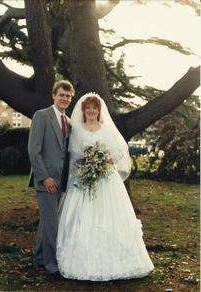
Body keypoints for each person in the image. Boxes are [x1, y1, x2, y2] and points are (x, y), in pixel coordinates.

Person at [57, 93, 154, 281]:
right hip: (83, 180)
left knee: (111, 218)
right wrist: (87, 164)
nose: (91, 111)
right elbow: (74, 154)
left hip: (106, 180)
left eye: (94, 108)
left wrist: (104, 161)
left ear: (98, 111)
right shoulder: (76, 129)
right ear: (83, 110)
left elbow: (118, 151)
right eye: (88, 108)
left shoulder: (106, 128)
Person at [28, 80, 74, 276]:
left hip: (61, 180)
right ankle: (51, 265)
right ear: (53, 95)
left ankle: (39, 257)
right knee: (52, 223)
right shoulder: (42, 116)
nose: (65, 99)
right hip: (46, 180)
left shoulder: (69, 121)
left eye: (68, 96)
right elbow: (33, 150)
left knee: (46, 221)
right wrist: (44, 177)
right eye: (61, 95)